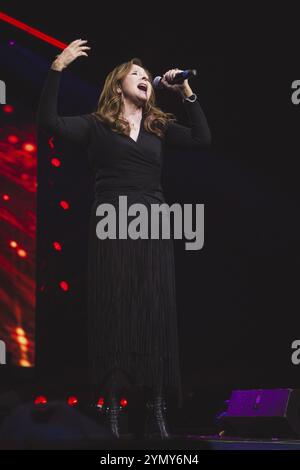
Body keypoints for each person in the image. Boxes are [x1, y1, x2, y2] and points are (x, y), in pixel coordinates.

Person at [37, 39, 211, 439]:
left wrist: (185, 90)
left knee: (154, 312)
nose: (144, 78)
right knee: (117, 313)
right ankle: (111, 413)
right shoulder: (97, 124)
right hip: (112, 223)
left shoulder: (157, 127)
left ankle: (157, 410)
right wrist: (57, 68)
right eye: (136, 74)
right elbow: (50, 122)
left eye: (147, 76)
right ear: (118, 86)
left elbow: (202, 139)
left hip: (154, 226)